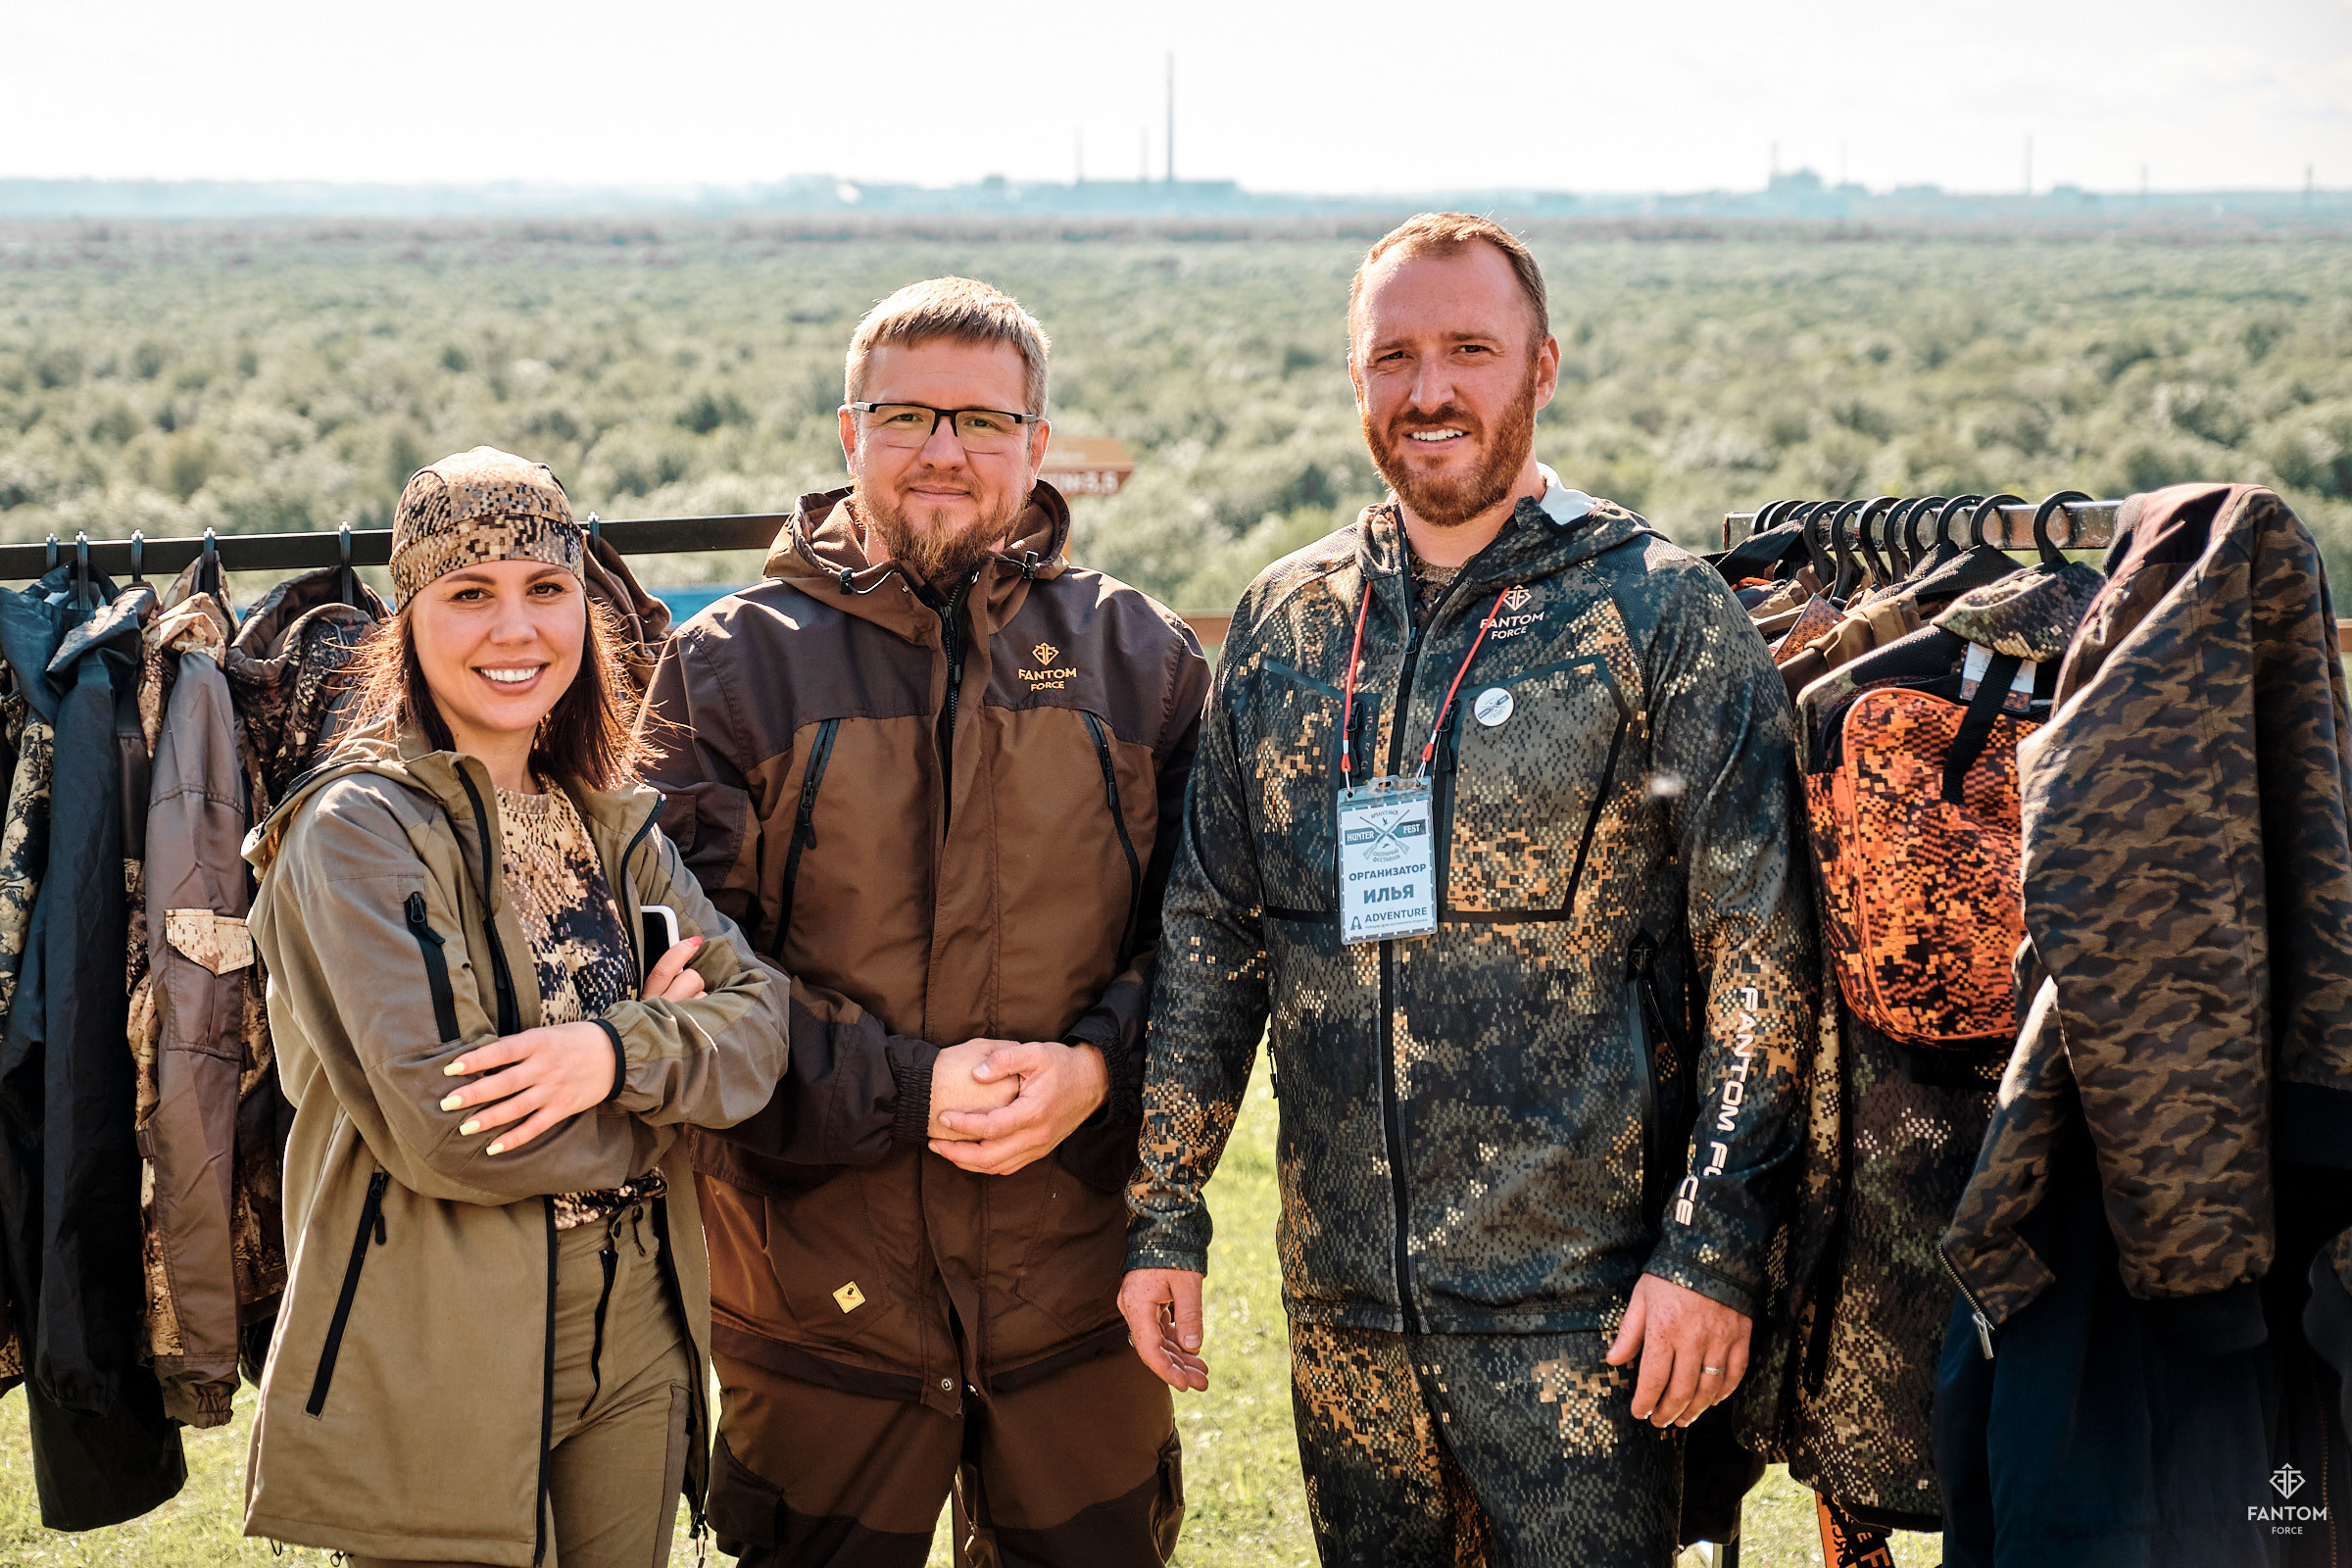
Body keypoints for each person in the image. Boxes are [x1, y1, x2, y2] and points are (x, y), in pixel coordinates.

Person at [1120, 215, 1819, 1567]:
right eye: (1394, 356)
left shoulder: (1657, 614)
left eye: (1468, 350)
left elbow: (1761, 954)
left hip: (1587, 1314)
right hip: (1345, 1321)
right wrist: (1166, 1211)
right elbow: (1212, 931)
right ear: (1356, 377)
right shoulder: (1289, 619)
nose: (1428, 389)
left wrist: (1713, 1253)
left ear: (1540, 369)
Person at [641, 277, 1210, 1566]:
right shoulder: (729, 667)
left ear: (1038, 445)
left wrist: (1094, 1070)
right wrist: (903, 1090)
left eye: (982, 420)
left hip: (1074, 1292)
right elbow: (683, 973)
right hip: (816, 1297)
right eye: (905, 414)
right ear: (850, 436)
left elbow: (1207, 945)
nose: (943, 449)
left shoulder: (1143, 661)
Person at [240, 446, 790, 1568]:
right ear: (408, 615)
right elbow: (452, 1129)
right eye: (470, 594)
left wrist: (602, 1052)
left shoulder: (612, 823)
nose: (516, 629)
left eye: (547, 590)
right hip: (441, 1330)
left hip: (639, 1321)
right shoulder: (355, 835)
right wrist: (668, 1084)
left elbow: (762, 1028)